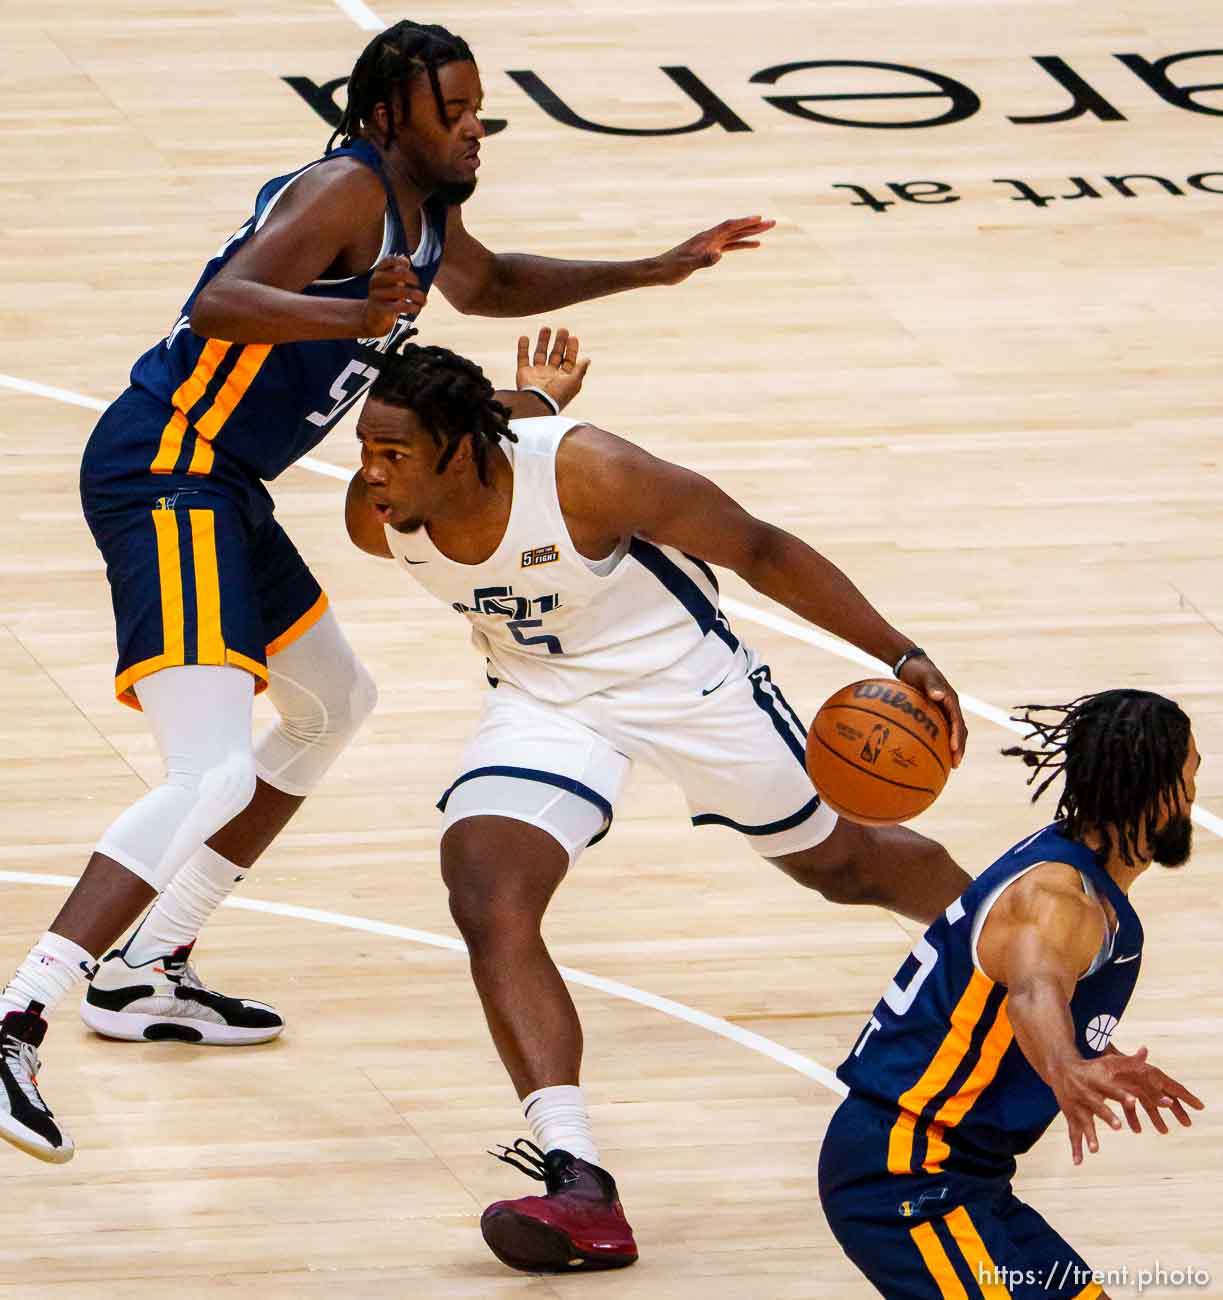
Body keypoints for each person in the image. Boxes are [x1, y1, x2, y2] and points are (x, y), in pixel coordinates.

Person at [0, 18, 776, 1165]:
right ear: (385, 118)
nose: (473, 130)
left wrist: (653, 267)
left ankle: (150, 965)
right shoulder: (346, 193)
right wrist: (351, 313)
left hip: (226, 487)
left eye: (476, 111)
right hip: (165, 472)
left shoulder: (426, 208)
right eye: (451, 112)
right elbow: (221, 302)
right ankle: (21, 1013)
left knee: (334, 701)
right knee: (210, 767)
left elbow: (492, 283)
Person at [342, 331, 972, 1273]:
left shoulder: (593, 476)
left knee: (847, 867)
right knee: (484, 894)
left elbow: (759, 547)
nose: (371, 475)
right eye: (365, 450)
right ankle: (579, 1182)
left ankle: (1011, 935)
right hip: (543, 699)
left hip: (687, 685)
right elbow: (473, 434)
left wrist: (899, 654)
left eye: (393, 453)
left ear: (461, 449)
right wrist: (529, 400)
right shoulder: (378, 513)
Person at [820, 689, 1205, 1300]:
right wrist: (1064, 1066)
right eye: (1190, 776)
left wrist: (1086, 1056)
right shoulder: (1058, 901)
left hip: (966, 1174)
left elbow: (1016, 1001)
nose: (1193, 795)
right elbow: (1033, 990)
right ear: (1159, 794)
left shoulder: (1069, 863)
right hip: (906, 1173)